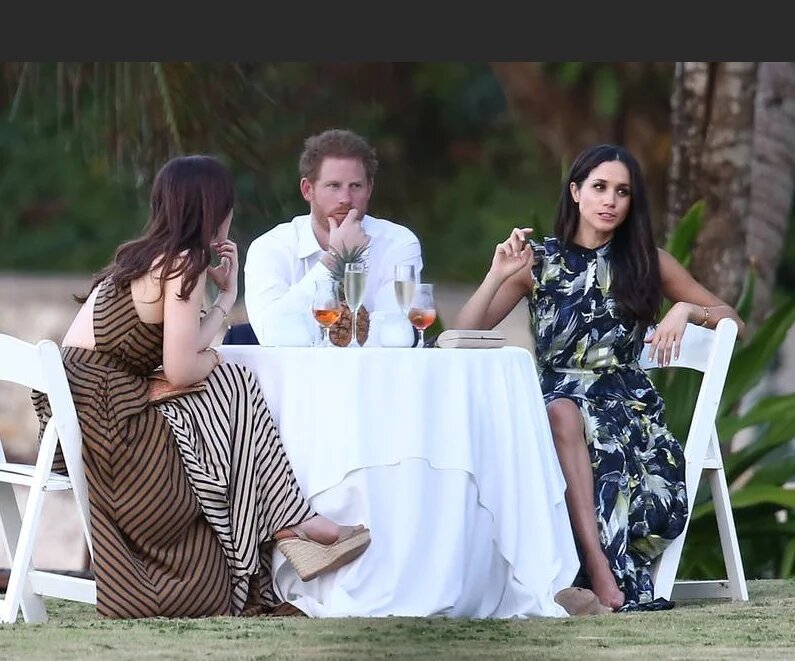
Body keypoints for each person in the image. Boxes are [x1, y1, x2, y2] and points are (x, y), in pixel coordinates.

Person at [31, 155, 371, 619]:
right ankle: (294, 524)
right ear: (214, 210)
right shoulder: (182, 264)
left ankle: (294, 524)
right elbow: (182, 368)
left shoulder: (146, 257)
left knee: (232, 385)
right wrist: (214, 356)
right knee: (231, 386)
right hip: (111, 430)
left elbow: (182, 353)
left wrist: (226, 298)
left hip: (88, 415)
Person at [454, 144, 746, 612]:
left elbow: (734, 322)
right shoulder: (539, 262)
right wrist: (496, 275)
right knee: (561, 413)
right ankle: (599, 568)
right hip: (555, 400)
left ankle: (589, 574)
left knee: (575, 423)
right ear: (575, 192)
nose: (610, 200)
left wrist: (688, 311)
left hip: (625, 411)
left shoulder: (647, 261)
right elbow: (462, 336)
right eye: (599, 187)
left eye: (622, 191)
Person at [244, 128, 423, 344]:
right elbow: (271, 335)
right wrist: (333, 260)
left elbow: (395, 337)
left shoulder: (398, 243)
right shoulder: (271, 247)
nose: (345, 198)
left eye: (355, 186)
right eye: (333, 186)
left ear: (369, 188)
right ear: (307, 189)